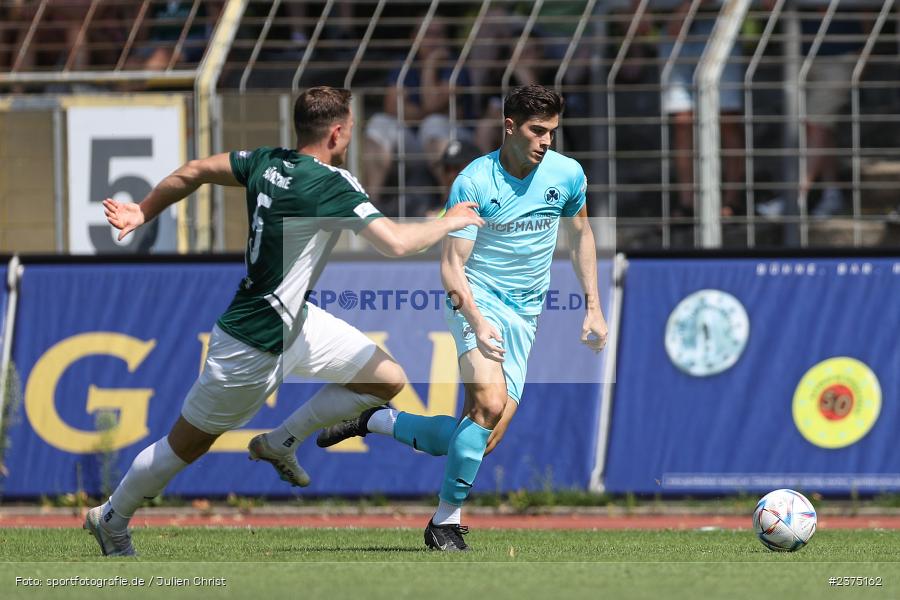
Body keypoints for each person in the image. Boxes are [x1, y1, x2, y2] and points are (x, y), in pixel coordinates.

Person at [85, 86, 483, 557]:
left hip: (297, 322)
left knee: (386, 378)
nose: (351, 134)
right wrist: (451, 220)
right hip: (251, 344)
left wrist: (142, 209)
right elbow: (395, 242)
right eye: (351, 127)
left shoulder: (263, 161)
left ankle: (280, 442)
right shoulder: (331, 182)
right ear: (336, 132)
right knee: (184, 447)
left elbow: (193, 171)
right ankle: (111, 516)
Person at [317, 85, 609, 552]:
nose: (546, 141)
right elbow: (452, 266)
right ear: (510, 127)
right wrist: (476, 318)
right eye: (537, 131)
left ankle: (377, 421)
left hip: (526, 312)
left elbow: (582, 235)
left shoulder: (567, 174)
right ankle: (445, 523)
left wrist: (594, 306)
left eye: (552, 132)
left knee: (480, 437)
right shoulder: (474, 182)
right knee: (489, 403)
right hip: (476, 300)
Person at [645, 0, 746, 219]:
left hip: (720, 24)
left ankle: (732, 201)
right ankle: (687, 203)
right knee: (682, 121)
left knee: (727, 119)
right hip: (674, 26)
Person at [362, 17, 474, 214]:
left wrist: (430, 66)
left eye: (438, 34)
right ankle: (371, 205)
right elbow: (391, 107)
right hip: (414, 142)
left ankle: (450, 201)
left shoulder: (455, 65)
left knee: (432, 124)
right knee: (379, 123)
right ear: (415, 37)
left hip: (456, 141)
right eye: (428, 33)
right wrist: (429, 108)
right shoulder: (404, 64)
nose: (434, 39)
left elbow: (430, 102)